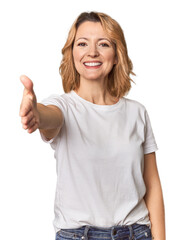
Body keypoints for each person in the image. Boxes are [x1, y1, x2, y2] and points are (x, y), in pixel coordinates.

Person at [19, 11, 165, 240]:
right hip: (77, 235)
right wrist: (36, 113)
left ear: (117, 55)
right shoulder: (63, 106)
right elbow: (50, 118)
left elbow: (152, 184)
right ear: (73, 53)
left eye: (104, 44)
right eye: (82, 43)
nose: (92, 52)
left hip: (136, 233)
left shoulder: (138, 112)